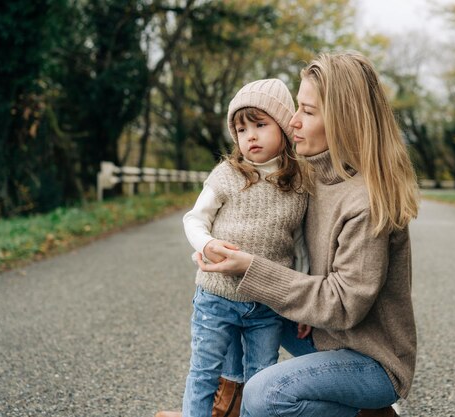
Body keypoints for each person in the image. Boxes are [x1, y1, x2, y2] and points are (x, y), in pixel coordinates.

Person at [196, 51, 420, 416]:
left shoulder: (365, 200)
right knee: (239, 308)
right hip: (327, 336)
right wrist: (215, 246)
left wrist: (250, 268)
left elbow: (344, 304)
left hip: (371, 359)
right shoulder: (312, 177)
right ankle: (227, 400)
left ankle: (365, 409)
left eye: (308, 112)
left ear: (343, 121)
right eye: (296, 107)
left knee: (266, 394)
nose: (292, 121)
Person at [176, 78, 308, 417]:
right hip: (216, 298)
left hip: (266, 306)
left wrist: (302, 307)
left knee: (260, 381)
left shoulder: (297, 184)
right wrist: (207, 244)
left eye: (260, 125)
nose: (250, 135)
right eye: (241, 128)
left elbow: (299, 248)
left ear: (282, 126)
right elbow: (194, 219)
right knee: (205, 373)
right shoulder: (227, 174)